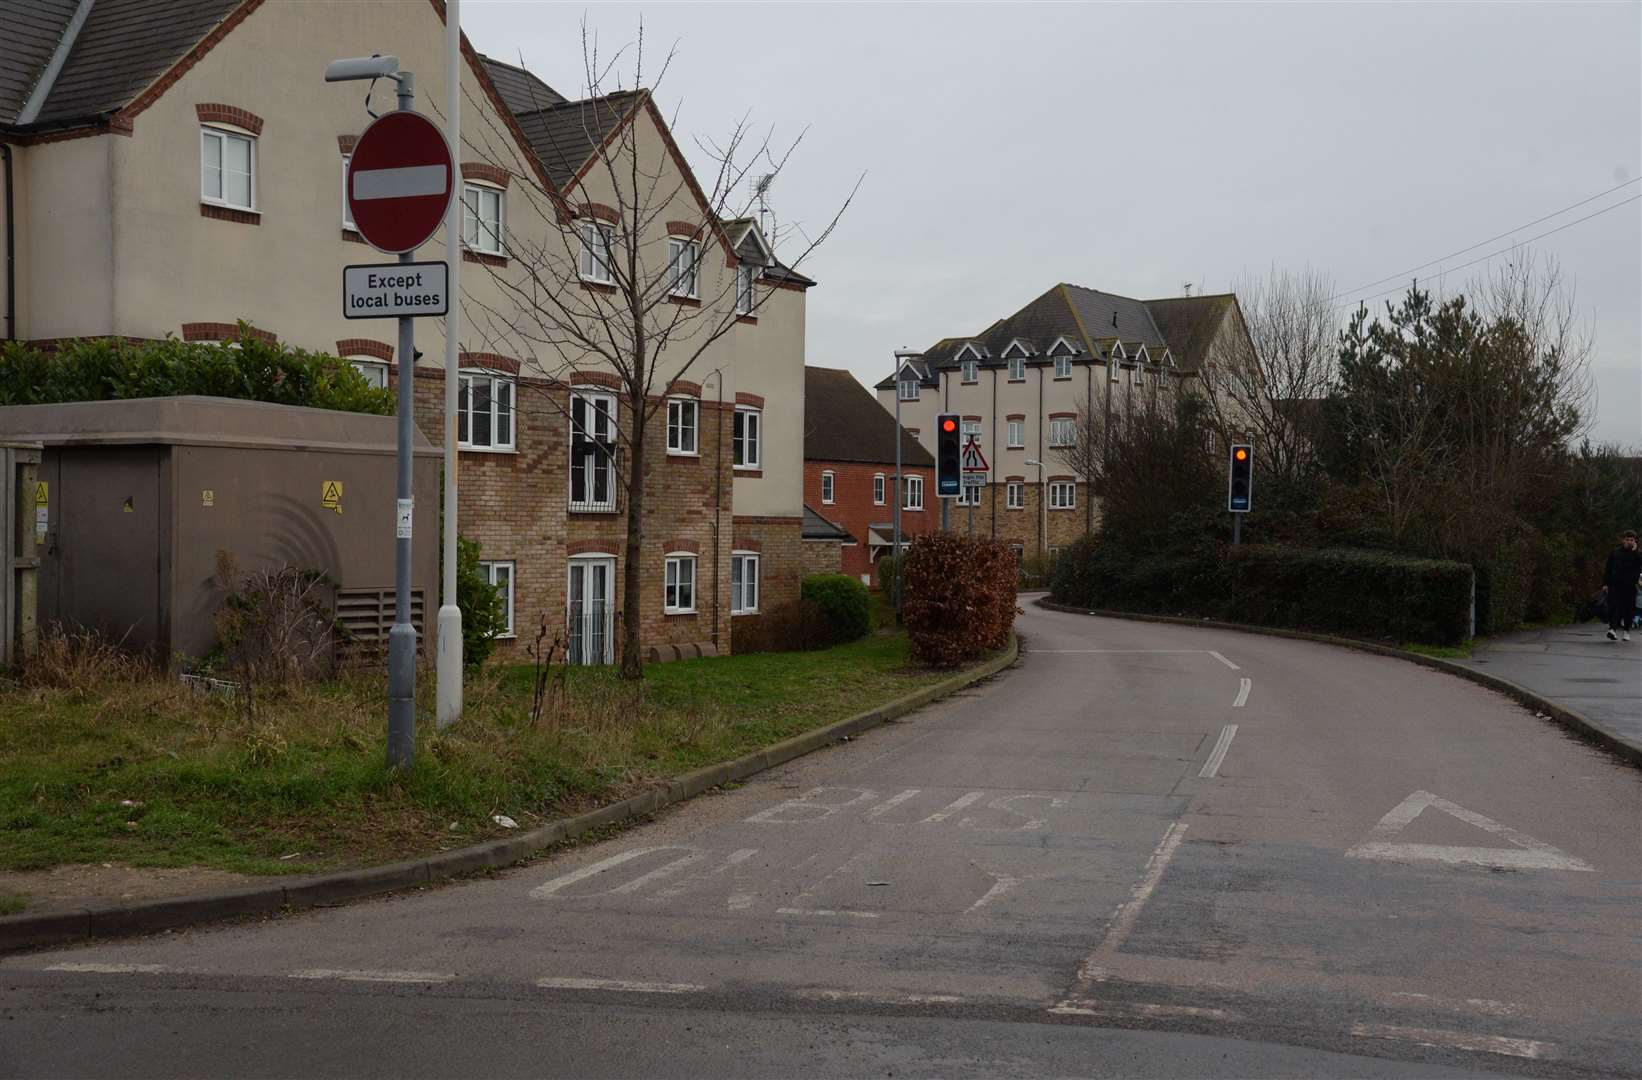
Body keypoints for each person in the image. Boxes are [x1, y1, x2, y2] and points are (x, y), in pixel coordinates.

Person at [1601, 529, 1641, 642]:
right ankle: (1612, 629)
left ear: (1635, 541)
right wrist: (1605, 583)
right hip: (1615, 584)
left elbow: (1639, 565)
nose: (1629, 541)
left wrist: (1635, 552)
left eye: (1631, 540)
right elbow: (1608, 568)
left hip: (1630, 586)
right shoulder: (1615, 552)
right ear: (1623, 540)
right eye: (1627, 539)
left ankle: (1626, 631)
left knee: (1628, 609)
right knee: (1614, 606)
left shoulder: (1638, 554)